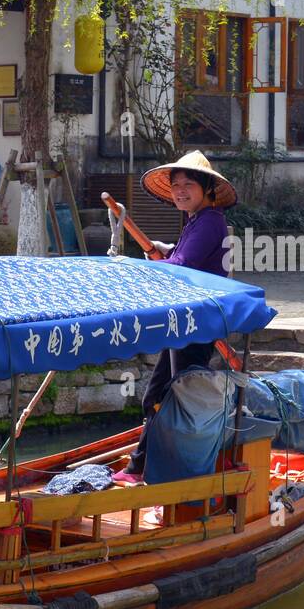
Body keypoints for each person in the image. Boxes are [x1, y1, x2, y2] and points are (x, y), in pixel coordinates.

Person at [114, 150, 238, 484]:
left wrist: (138, 267)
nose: (180, 190)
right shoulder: (199, 219)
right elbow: (185, 255)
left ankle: (146, 469)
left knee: (167, 397)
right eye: (176, 185)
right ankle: (143, 467)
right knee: (163, 396)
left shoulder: (211, 220)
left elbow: (184, 268)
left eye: (188, 184)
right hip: (186, 322)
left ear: (207, 188)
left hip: (197, 323)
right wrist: (165, 250)